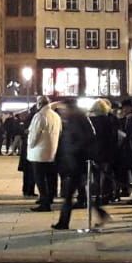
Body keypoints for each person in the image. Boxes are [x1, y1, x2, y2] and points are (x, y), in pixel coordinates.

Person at [52, 98, 104, 231]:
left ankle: (63, 222)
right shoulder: (78, 119)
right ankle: (101, 214)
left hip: (77, 162)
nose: (63, 112)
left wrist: (73, 152)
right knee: (82, 192)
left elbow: (81, 140)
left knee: (69, 194)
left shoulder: (76, 120)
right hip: (76, 161)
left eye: (65, 109)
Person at [26, 96, 62, 212]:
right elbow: (60, 132)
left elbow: (34, 134)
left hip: (39, 152)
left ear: (39, 103)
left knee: (40, 178)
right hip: (52, 151)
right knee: (50, 177)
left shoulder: (40, 115)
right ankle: (49, 198)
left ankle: (44, 202)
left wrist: (30, 145)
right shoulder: (56, 116)